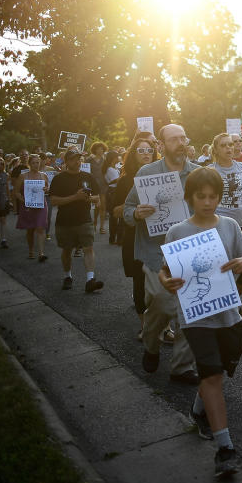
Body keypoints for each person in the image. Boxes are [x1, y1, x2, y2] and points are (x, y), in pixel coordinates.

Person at [159, 167, 242, 478]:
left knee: (220, 372)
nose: (208, 202)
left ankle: (198, 411)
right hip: (195, 317)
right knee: (210, 374)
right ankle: (225, 449)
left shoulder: (229, 225)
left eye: (213, 196)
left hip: (228, 313)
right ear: (190, 197)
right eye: (201, 196)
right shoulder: (177, 232)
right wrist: (166, 280)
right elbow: (164, 269)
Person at [123, 124, 200, 385]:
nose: (180, 142)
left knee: (191, 310)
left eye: (183, 137)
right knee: (162, 301)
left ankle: (181, 366)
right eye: (174, 139)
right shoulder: (147, 173)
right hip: (156, 252)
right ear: (162, 145)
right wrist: (136, 213)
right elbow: (128, 208)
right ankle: (151, 343)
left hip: (190, 251)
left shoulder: (199, 173)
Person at [111, 133, 159, 340]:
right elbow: (115, 211)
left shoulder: (160, 175)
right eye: (141, 150)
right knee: (140, 281)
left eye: (150, 150)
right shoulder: (125, 181)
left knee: (161, 281)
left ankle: (163, 325)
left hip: (159, 236)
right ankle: (145, 326)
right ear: (133, 154)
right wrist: (135, 209)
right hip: (135, 235)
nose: (146, 154)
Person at [48, 148, 103, 292]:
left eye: (79, 158)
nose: (77, 161)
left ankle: (90, 279)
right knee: (67, 251)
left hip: (84, 219)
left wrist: (89, 198)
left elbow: (97, 198)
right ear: (66, 161)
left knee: (88, 248)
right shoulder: (59, 179)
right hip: (65, 221)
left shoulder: (88, 177)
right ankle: (68, 276)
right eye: (73, 159)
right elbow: (53, 201)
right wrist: (75, 197)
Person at [208, 133, 242, 295]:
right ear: (216, 150)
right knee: (221, 269)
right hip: (218, 225)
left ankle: (234, 298)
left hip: (241, 223)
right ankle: (228, 305)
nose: (228, 148)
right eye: (223, 145)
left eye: (230, 144)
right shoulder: (210, 171)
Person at [15, 153, 49, 261]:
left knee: (40, 228)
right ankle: (31, 250)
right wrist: (23, 200)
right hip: (28, 206)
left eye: (37, 163)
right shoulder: (23, 176)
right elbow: (16, 192)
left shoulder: (43, 175)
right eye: (33, 163)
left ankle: (41, 253)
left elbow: (47, 189)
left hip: (41, 204)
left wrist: (46, 190)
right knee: (30, 229)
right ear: (29, 164)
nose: (36, 165)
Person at [87, 142, 109, 234]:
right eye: (98, 148)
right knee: (96, 207)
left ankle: (102, 227)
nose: (100, 150)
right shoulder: (89, 160)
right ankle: (95, 223)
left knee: (103, 206)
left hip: (103, 185)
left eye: (101, 148)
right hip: (93, 185)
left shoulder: (106, 160)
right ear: (94, 149)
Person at [103, 150, 122, 244]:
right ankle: (115, 238)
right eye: (117, 157)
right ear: (113, 158)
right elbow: (117, 181)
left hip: (112, 192)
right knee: (115, 216)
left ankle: (114, 238)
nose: (118, 158)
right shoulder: (110, 169)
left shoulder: (112, 168)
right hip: (113, 192)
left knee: (114, 216)